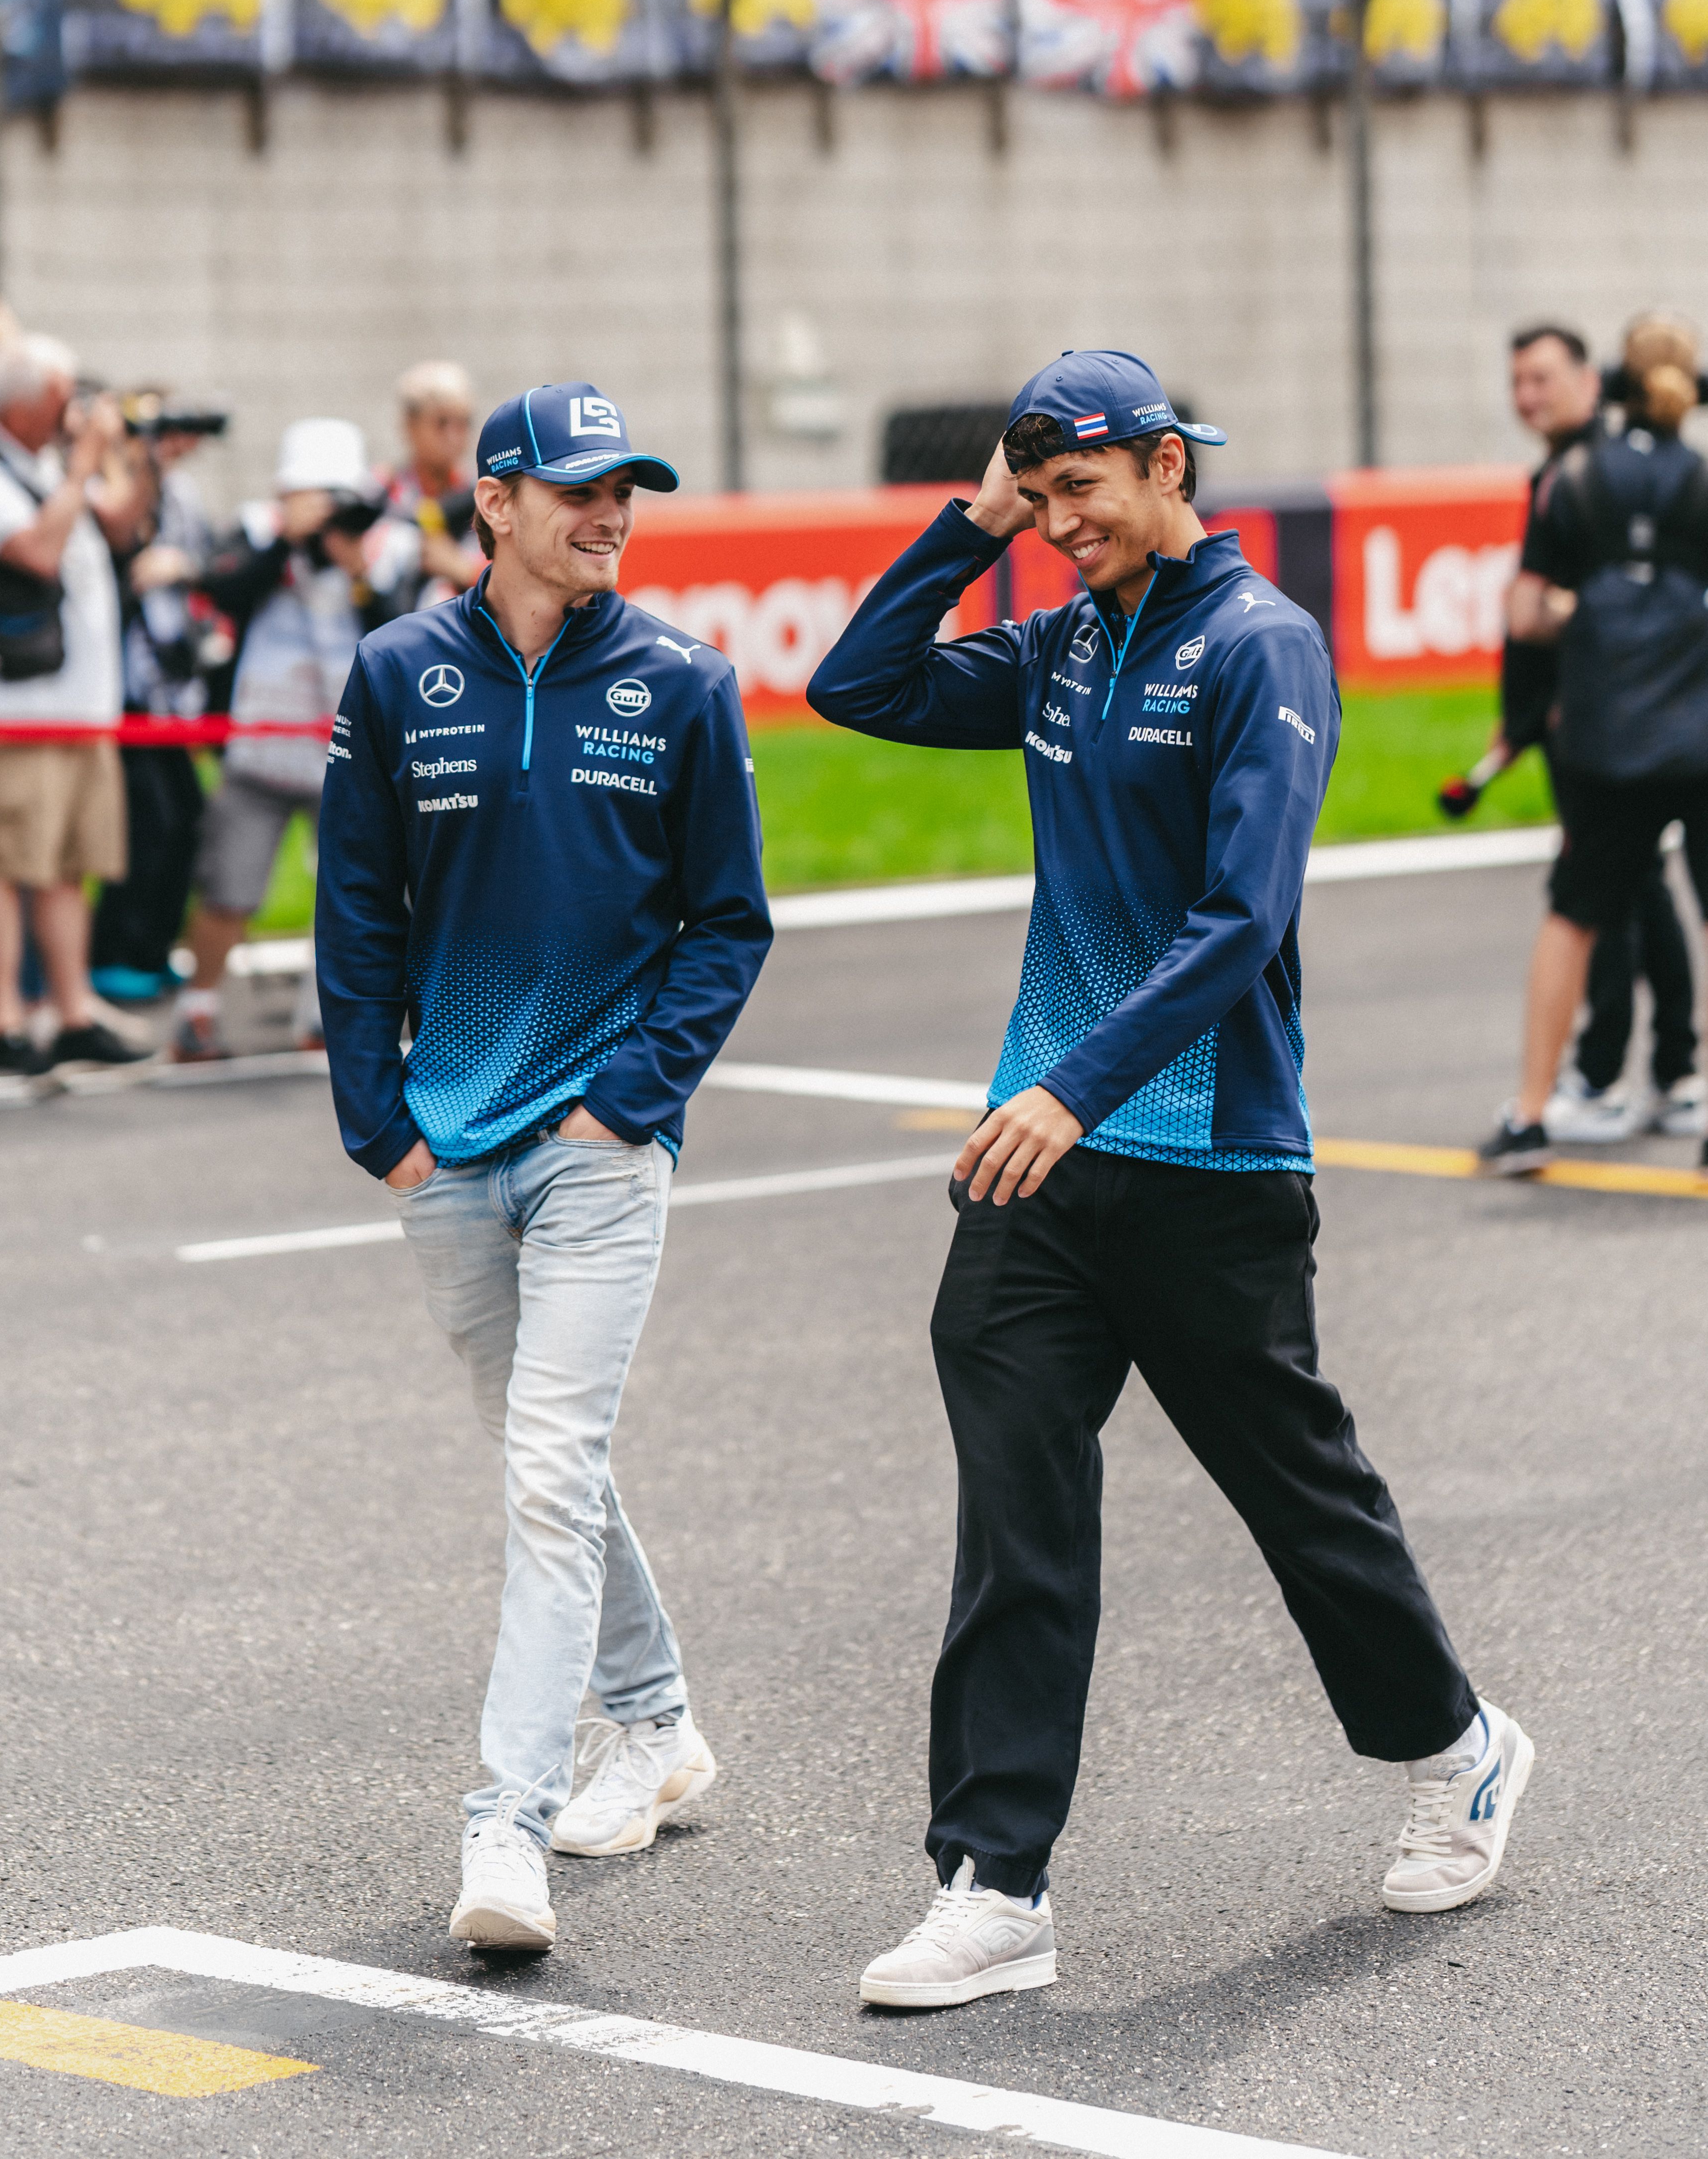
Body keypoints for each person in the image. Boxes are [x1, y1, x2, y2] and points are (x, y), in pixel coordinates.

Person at [809, 350, 1533, 2011]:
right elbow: (859, 684)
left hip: (1206, 1156)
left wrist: (1073, 1087)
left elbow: (1241, 915)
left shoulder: (1256, 642)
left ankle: (1456, 1742)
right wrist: (969, 518)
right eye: (1038, 493)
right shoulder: (1062, 637)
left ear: (1161, 465)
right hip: (1041, 1176)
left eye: (1080, 489)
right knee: (1017, 1509)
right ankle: (993, 1883)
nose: (1060, 521)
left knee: (1295, 1493)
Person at [316, 381, 771, 1954]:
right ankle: (654, 1722)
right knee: (550, 1467)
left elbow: (732, 922)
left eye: (626, 488)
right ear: (493, 499)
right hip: (443, 1146)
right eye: (578, 487)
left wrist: (632, 1099)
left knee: (546, 1471)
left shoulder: (686, 684)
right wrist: (381, 1122)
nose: (611, 513)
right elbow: (356, 907)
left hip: (597, 1145)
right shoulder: (393, 678)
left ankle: (501, 1825)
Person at [1442, 324, 1700, 1143]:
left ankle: (1539, 1109)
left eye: (1540, 378)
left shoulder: (1573, 479)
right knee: (1676, 905)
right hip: (1697, 728)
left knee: (1581, 912)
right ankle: (1680, 1083)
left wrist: (1587, 621)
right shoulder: (1696, 476)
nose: (1528, 396)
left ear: (1606, 377)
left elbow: (1524, 610)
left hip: (1603, 735)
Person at [0, 335, 147, 1077]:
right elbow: (35, 552)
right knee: (6, 862)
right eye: (60, 399)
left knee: (66, 865)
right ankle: (2, 1022)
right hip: (15, 707)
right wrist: (83, 463)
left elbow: (121, 528)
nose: (71, 413)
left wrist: (137, 458)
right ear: (22, 405)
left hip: (83, 704)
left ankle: (72, 1011)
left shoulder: (46, 462)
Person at [170, 420, 382, 1062]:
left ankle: (325, 1016)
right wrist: (286, 543)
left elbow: (400, 630)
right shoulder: (255, 531)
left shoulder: (379, 545)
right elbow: (221, 590)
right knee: (229, 887)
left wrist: (357, 573)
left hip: (347, 749)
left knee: (350, 892)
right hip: (260, 744)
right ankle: (196, 1015)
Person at [89, 401, 222, 1004]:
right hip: (124, 689)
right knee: (148, 824)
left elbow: (213, 562)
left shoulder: (184, 495)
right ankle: (116, 949)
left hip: (171, 690)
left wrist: (185, 567)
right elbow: (119, 540)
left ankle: (152, 947)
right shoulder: (111, 486)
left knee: (188, 820)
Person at [367, 358, 485, 614]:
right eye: (442, 423)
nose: (455, 436)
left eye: (463, 423)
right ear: (409, 425)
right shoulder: (377, 492)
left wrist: (464, 570)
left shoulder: (487, 497)